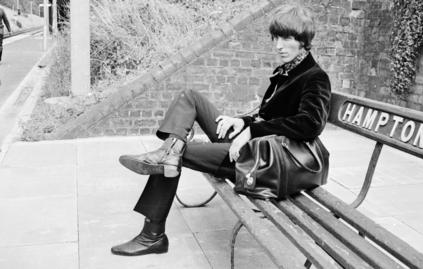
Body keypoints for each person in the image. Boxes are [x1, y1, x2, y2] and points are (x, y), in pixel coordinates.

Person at [111, 4, 331, 256]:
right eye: (275, 37)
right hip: (256, 144)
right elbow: (270, 115)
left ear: (303, 41)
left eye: (287, 38)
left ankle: (152, 235)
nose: (278, 45)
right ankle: (169, 150)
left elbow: (310, 124)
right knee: (190, 97)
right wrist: (243, 122)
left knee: (176, 156)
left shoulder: (314, 76)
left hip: (264, 160)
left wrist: (251, 132)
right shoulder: (288, 71)